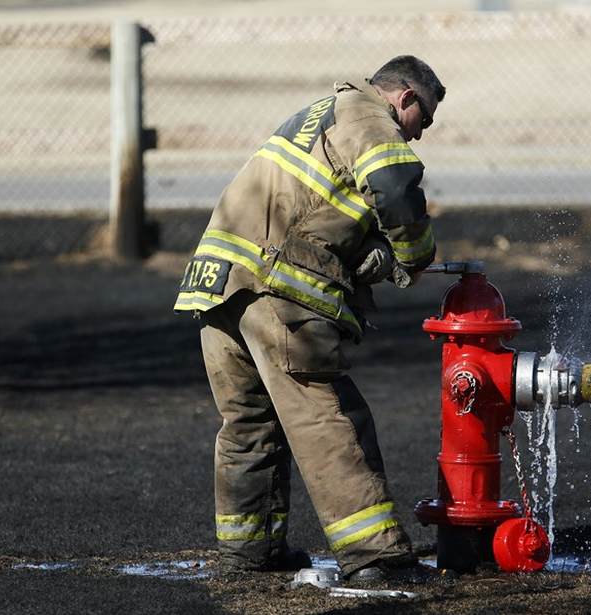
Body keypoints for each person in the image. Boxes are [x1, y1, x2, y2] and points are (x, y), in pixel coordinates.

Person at [173, 56, 444, 579]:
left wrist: (362, 248)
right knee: (331, 418)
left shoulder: (322, 113)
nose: (418, 134)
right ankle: (375, 557)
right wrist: (414, 256)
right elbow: (394, 189)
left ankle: (248, 552)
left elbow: (311, 206)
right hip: (275, 292)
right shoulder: (369, 116)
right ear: (405, 97)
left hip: (219, 285)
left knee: (249, 425)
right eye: (423, 120)